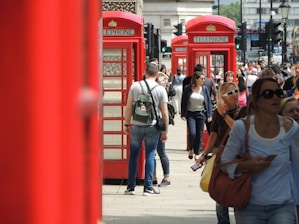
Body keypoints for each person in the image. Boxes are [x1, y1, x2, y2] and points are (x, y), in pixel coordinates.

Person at [221, 78, 299, 224]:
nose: (275, 97)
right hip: (249, 206)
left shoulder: (291, 128)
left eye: (278, 92)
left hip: (283, 205)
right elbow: (225, 163)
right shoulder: (241, 127)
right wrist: (247, 165)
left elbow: (296, 166)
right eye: (268, 93)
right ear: (257, 100)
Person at [197, 82, 247, 224]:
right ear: (222, 97)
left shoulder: (244, 111)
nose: (235, 95)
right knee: (221, 193)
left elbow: (239, 130)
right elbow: (213, 135)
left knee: (238, 192)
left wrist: (224, 114)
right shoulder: (217, 113)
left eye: (236, 91)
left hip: (238, 157)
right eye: (230, 93)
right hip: (222, 156)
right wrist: (204, 154)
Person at [124, 62, 169, 196]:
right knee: (150, 154)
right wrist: (165, 131)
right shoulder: (160, 89)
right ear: (156, 74)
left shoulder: (135, 86)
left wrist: (127, 124)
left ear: (145, 71)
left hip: (137, 125)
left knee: (133, 156)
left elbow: (128, 107)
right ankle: (148, 187)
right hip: (152, 126)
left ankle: (130, 187)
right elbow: (165, 112)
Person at [181, 71, 212, 160]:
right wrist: (183, 114)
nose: (204, 80)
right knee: (192, 133)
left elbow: (208, 102)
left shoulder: (205, 89)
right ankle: (191, 148)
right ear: (196, 79)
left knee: (199, 134)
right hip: (191, 114)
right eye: (202, 79)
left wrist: (209, 114)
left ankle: (197, 152)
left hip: (201, 114)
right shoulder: (188, 88)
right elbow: (183, 101)